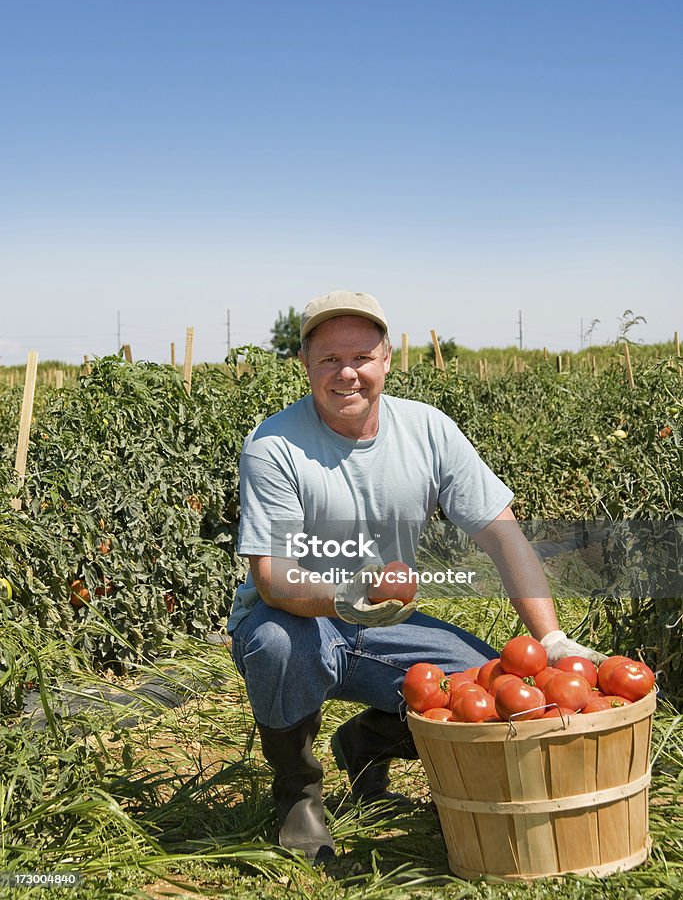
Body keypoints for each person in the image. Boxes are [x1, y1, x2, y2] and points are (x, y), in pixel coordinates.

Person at [228, 290, 605, 863]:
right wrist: (350, 595)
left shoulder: (428, 430)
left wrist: (549, 638)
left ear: (386, 361)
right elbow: (276, 578)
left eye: (361, 357)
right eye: (329, 359)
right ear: (303, 363)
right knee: (279, 644)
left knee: (491, 692)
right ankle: (298, 794)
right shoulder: (274, 445)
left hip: (388, 622)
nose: (346, 373)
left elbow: (503, 534)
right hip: (300, 617)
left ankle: (366, 742)